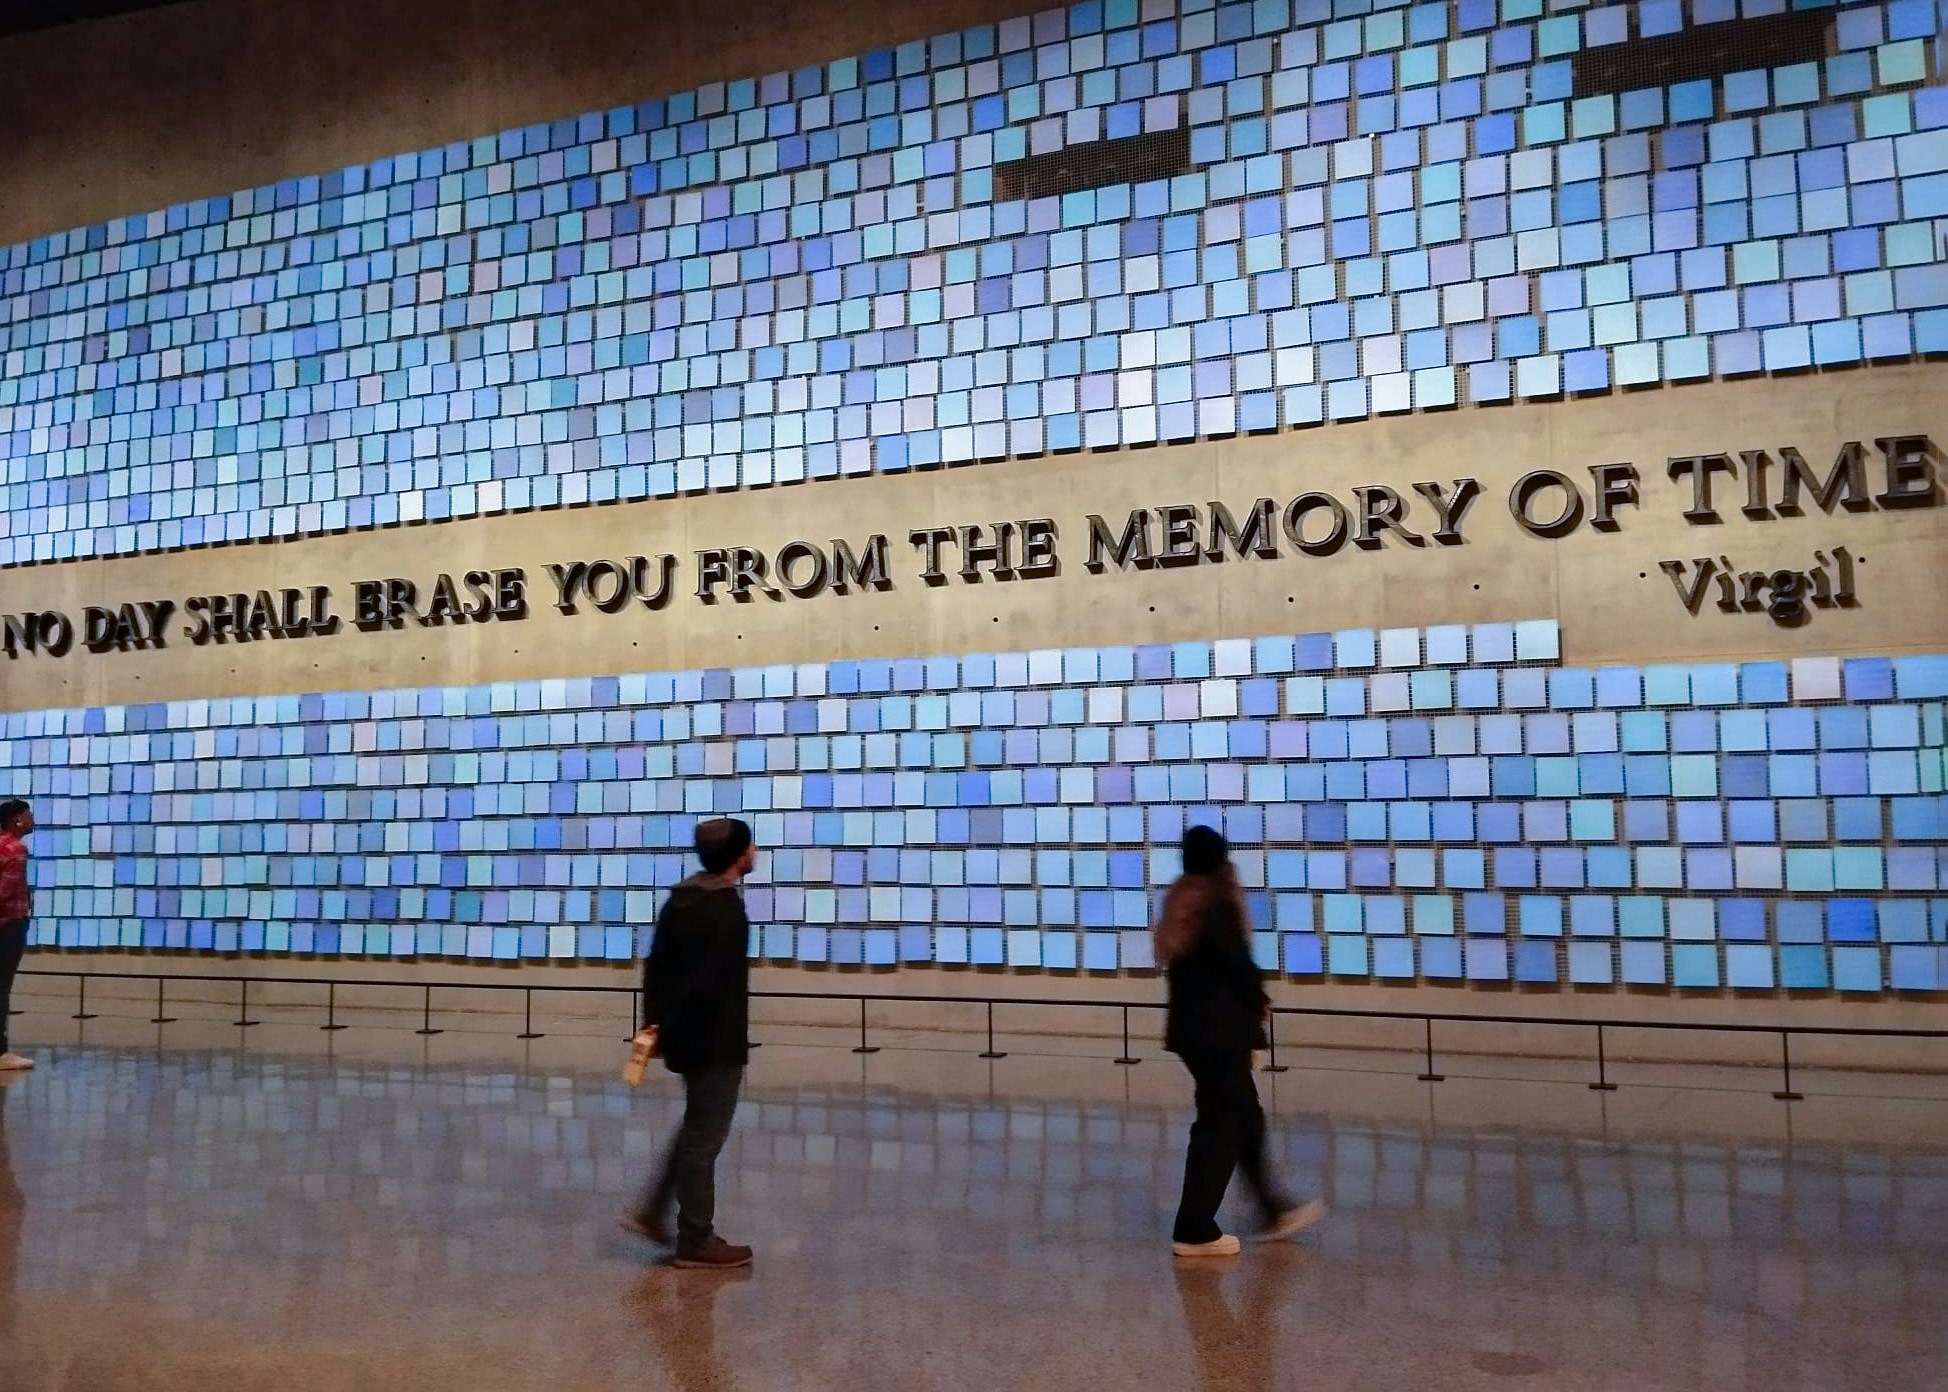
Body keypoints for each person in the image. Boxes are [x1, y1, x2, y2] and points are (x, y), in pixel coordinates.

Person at [1157, 825, 1323, 1257]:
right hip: (1219, 1034)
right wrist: (1258, 1003)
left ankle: (1274, 1210)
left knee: (1244, 1117)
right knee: (1220, 1125)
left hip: (1194, 1033)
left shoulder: (1181, 901)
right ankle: (1194, 1229)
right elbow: (1236, 966)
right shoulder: (1215, 903)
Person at [620, 817, 757, 1269]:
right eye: (750, 847)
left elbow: (656, 967)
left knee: (695, 1128)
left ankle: (653, 1211)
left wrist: (657, 1025)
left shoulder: (681, 899)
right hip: (715, 1042)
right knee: (704, 1139)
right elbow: (715, 985)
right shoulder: (725, 908)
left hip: (683, 1036)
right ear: (739, 855)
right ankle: (696, 1239)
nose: (754, 853)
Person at [0, 799, 33, 1073]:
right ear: (16, 820)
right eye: (27, 815)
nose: (32, 820)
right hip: (9, 925)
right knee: (2, 987)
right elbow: (4, 892)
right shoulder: (16, 849)